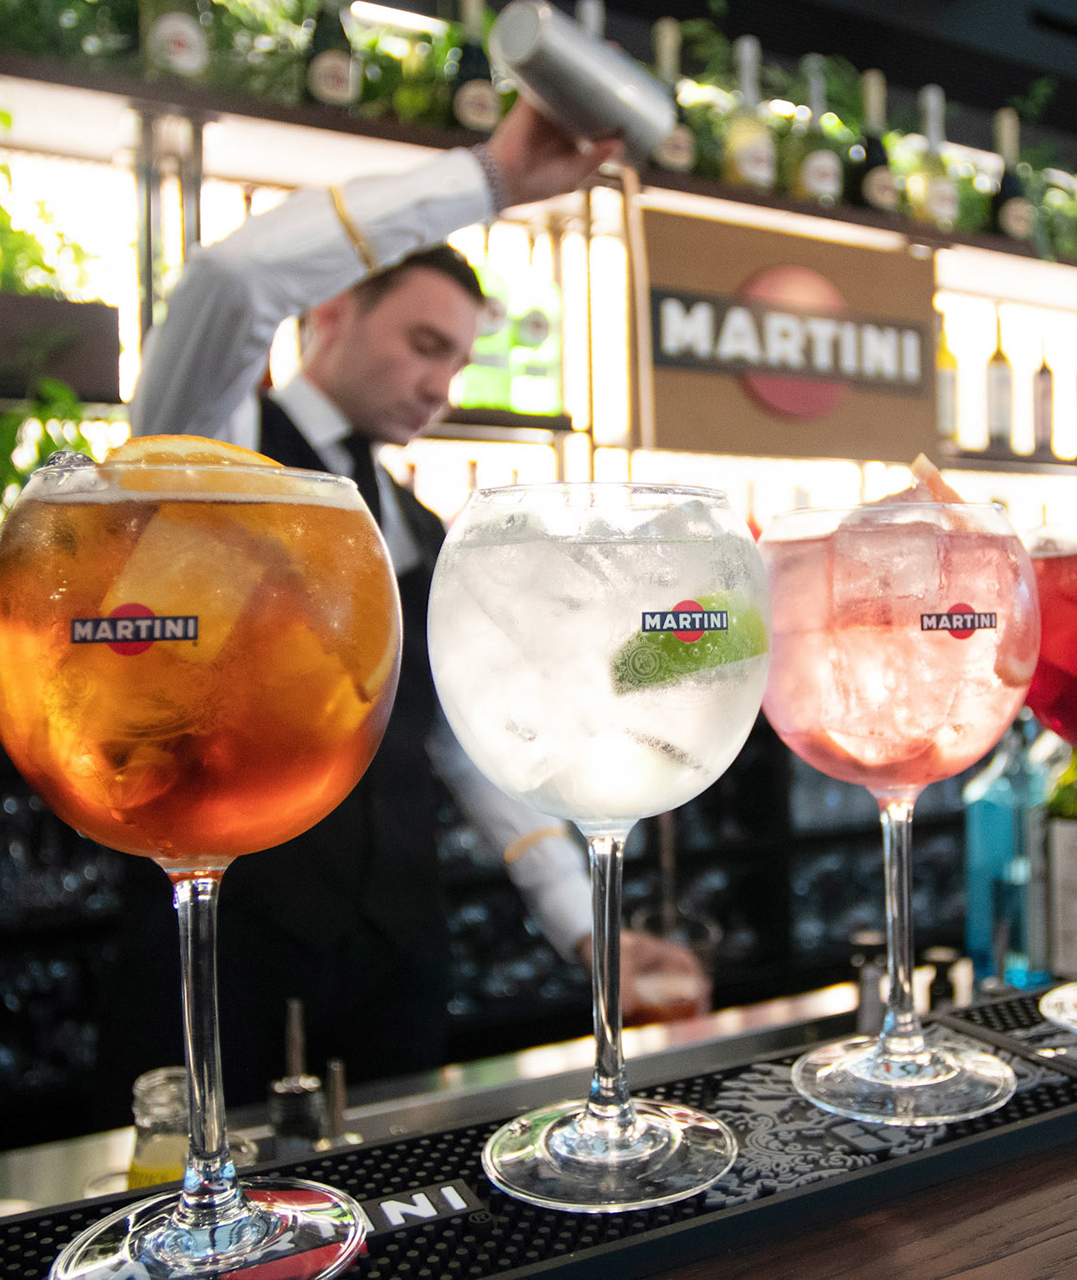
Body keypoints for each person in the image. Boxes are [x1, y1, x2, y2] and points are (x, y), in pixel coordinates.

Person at [120, 101, 707, 1104]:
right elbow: (230, 281)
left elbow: (462, 742)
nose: (440, 385)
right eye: (425, 343)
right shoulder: (207, 451)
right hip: (228, 945)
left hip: (400, 955)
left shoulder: (422, 527)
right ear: (332, 312)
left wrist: (582, 924)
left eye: (458, 361)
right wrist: (488, 181)